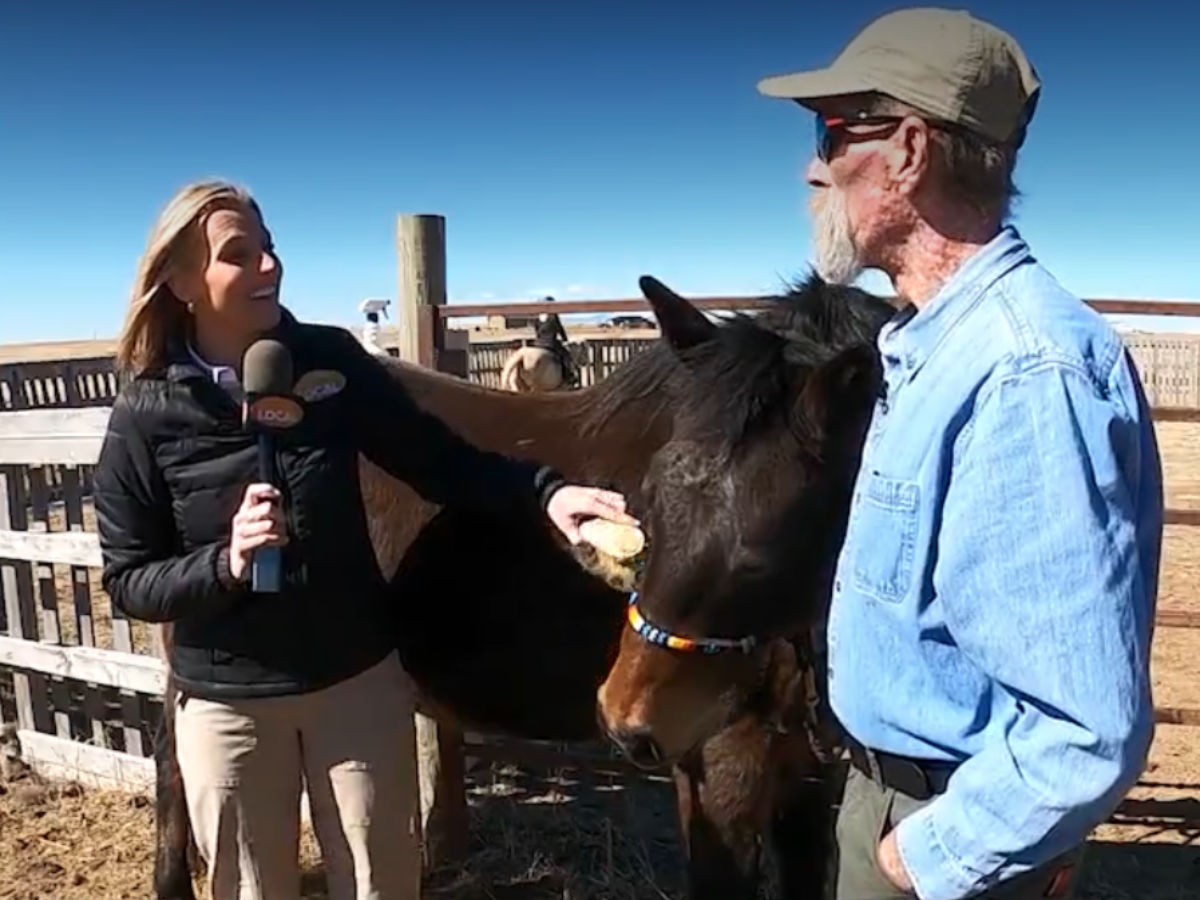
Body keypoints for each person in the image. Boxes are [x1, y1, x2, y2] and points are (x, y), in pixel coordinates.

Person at [92, 180, 636, 900]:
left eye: (271, 248)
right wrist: (225, 563)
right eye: (240, 255)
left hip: (356, 688)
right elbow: (130, 581)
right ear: (183, 280)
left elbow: (442, 461)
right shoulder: (144, 415)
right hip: (228, 704)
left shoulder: (333, 363)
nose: (270, 267)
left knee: (383, 885)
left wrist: (547, 493)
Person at [757, 8, 1162, 900]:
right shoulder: (938, 346)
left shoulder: (1023, 371)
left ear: (906, 150)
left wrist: (922, 857)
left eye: (832, 133)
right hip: (898, 800)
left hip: (944, 838)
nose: (812, 167)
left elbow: (1086, 732)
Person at [531, 296, 579, 388]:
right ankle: (568, 375)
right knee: (565, 355)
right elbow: (560, 329)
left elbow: (537, 331)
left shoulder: (537, 317)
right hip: (550, 343)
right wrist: (565, 340)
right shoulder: (553, 316)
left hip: (538, 343)